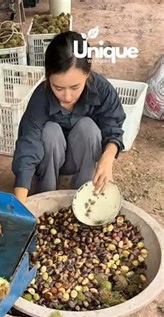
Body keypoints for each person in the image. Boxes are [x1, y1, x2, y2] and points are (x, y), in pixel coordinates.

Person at [12, 31, 126, 204]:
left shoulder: (102, 89)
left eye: (75, 87)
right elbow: (28, 145)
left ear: (87, 74)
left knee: (89, 128)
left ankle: (83, 193)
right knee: (50, 131)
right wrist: (19, 202)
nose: (67, 96)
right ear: (48, 77)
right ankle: (45, 192)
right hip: (47, 160)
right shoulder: (41, 97)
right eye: (58, 88)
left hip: (80, 159)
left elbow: (113, 126)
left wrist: (107, 158)